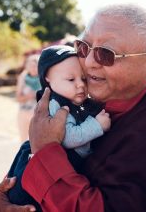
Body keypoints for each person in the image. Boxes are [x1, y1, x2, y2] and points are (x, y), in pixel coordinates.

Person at [0, 4, 146, 212]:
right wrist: (6, 197)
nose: (88, 62)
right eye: (83, 47)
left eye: (106, 53)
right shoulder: (100, 99)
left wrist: (46, 152)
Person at [7, 45, 110, 211]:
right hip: (56, 162)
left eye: (83, 78)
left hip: (55, 161)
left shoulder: (74, 100)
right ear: (48, 78)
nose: (80, 85)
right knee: (28, 195)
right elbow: (68, 138)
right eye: (71, 80)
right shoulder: (58, 106)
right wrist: (96, 125)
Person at [16, 54, 41, 142]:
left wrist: (36, 95)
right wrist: (29, 96)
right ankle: (25, 156)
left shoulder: (43, 79)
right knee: (23, 141)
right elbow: (18, 98)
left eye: (35, 65)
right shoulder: (23, 78)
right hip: (23, 112)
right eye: (30, 65)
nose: (33, 68)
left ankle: (34, 156)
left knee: (36, 141)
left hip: (38, 114)